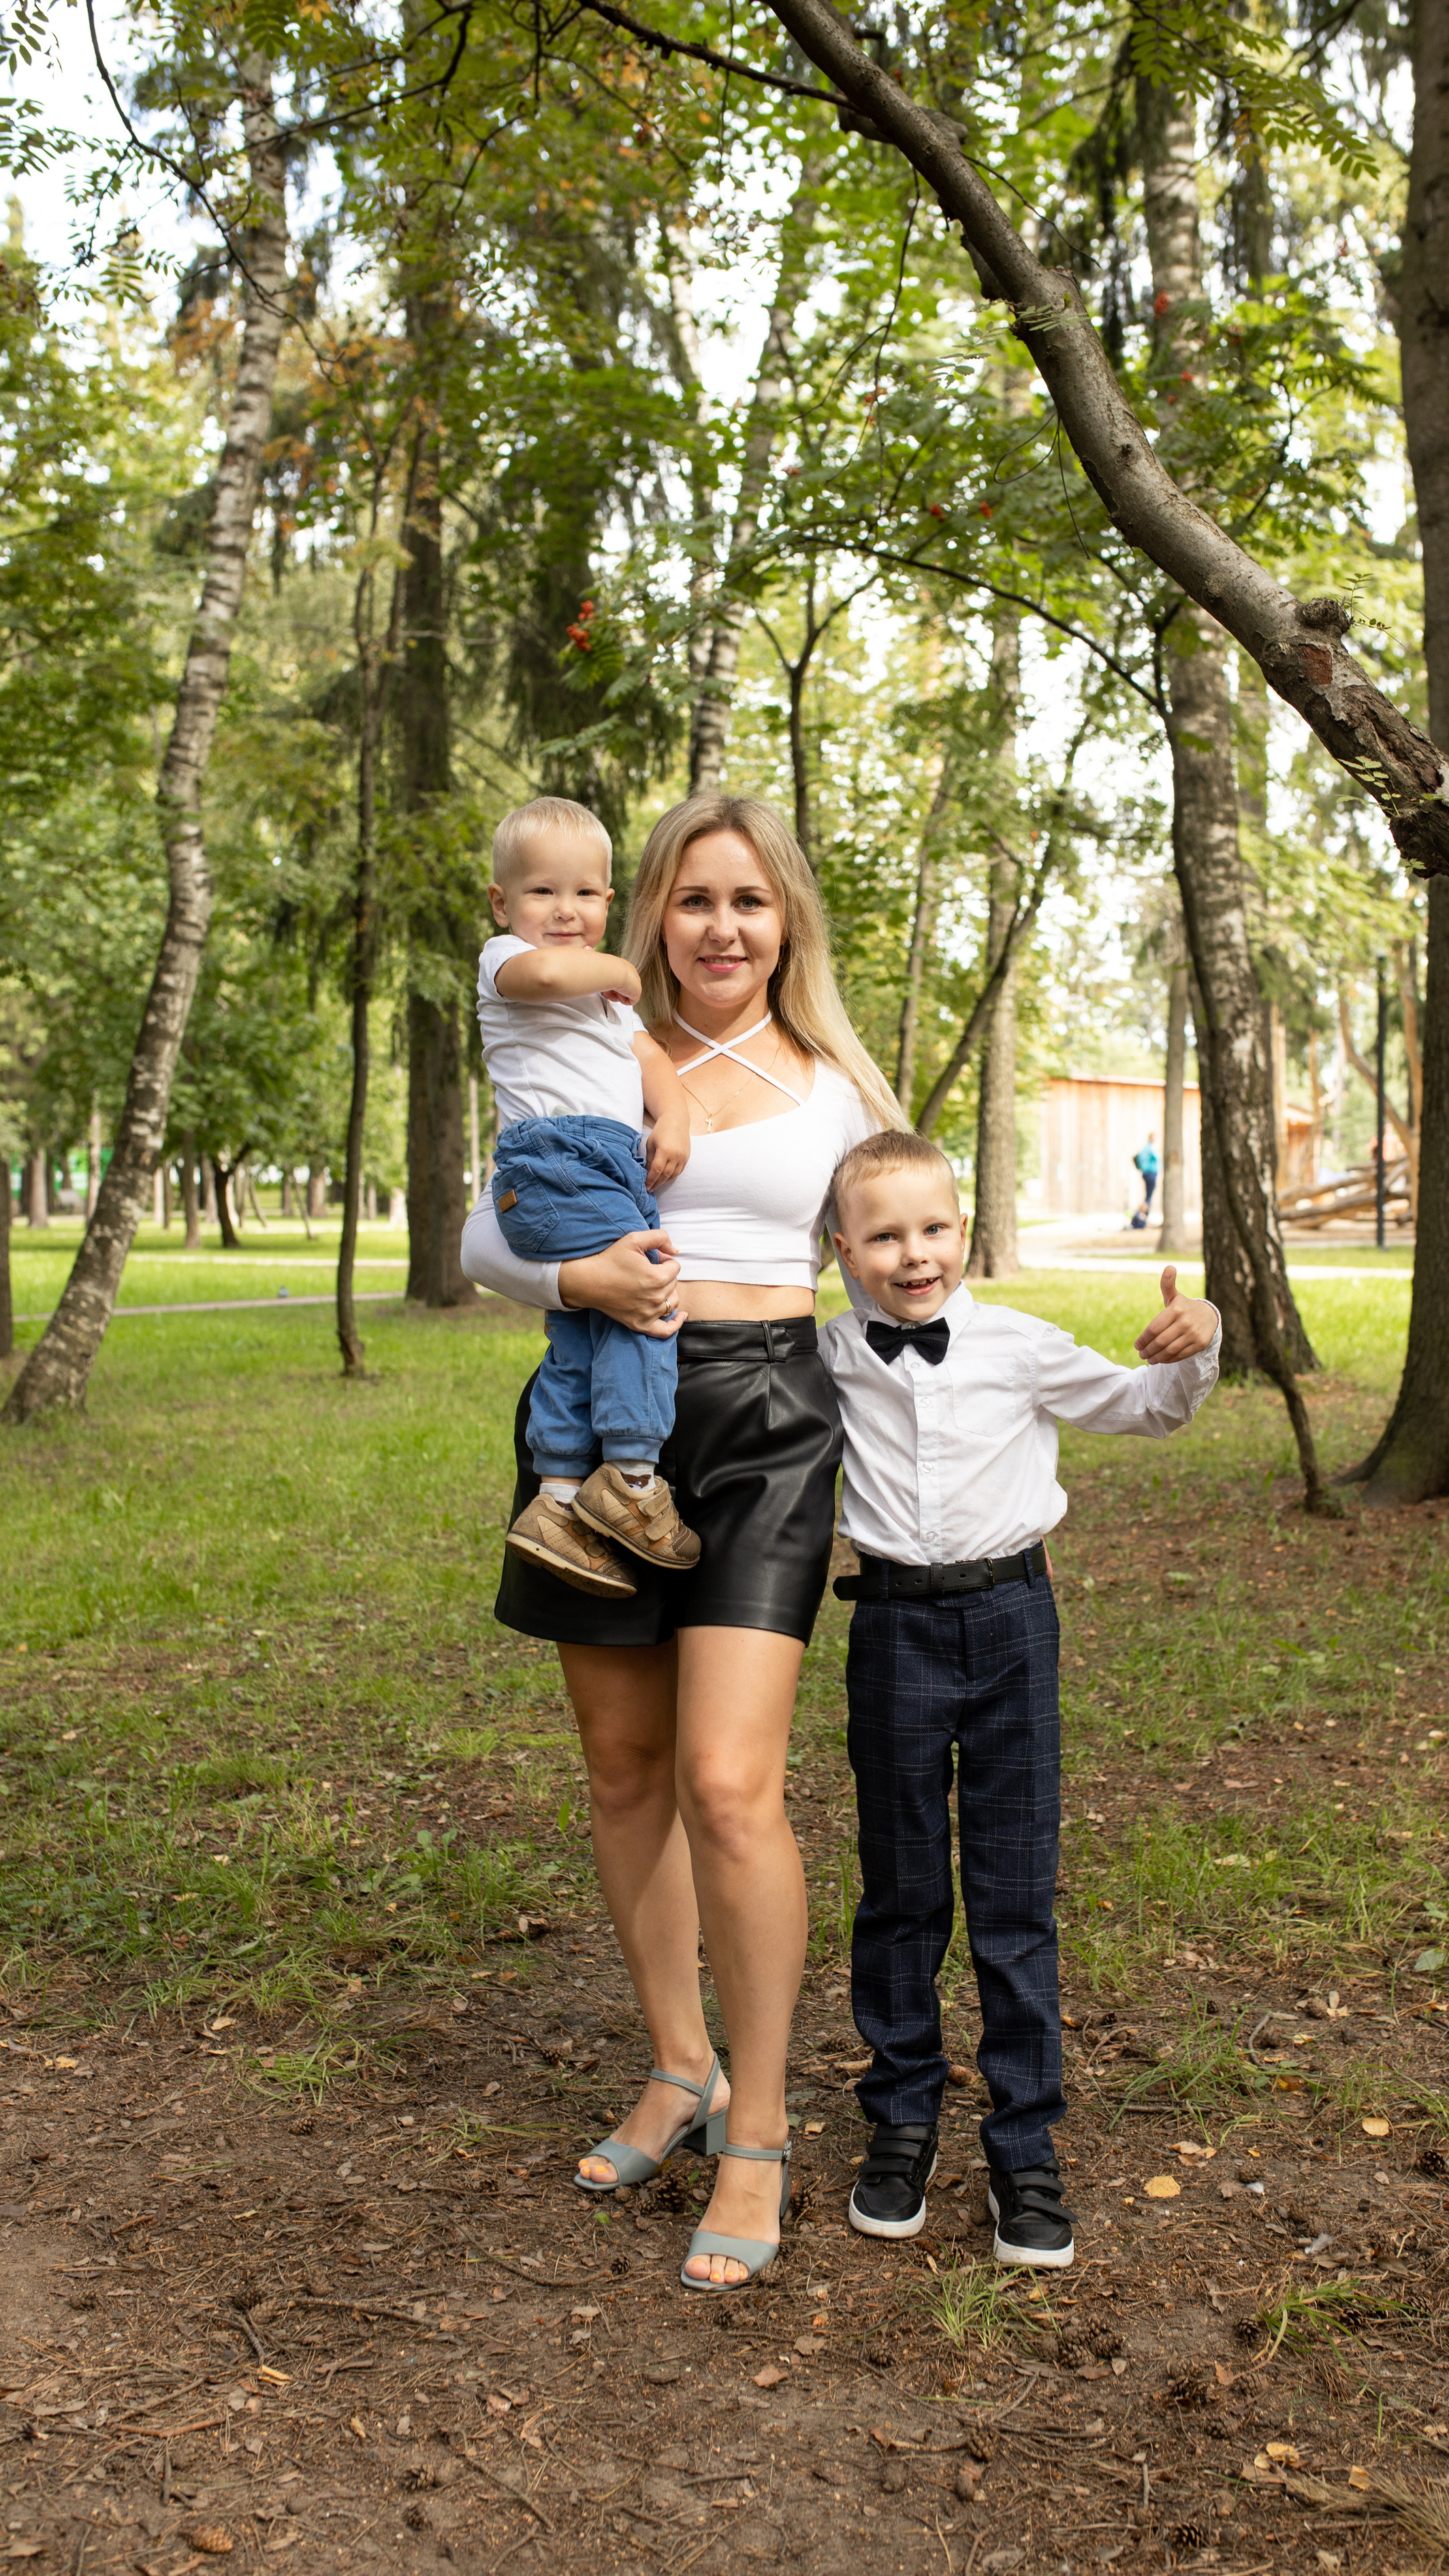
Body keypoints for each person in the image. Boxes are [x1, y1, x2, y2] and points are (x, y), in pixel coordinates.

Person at [460, 790, 902, 2291]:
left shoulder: (835, 1081)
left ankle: (762, 2124)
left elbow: (910, 1266)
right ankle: (674, 2065)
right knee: (624, 1770)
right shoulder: (575, 1037)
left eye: (750, 903)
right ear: (647, 914)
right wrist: (579, 1279)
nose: (722, 928)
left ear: (787, 925)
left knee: (728, 1783)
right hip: (598, 1413)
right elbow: (485, 1234)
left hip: (769, 1422)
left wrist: (1142, 1370)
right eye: (694, 901)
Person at [820, 1129, 1220, 2268]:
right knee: (900, 1886)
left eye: (934, 1229)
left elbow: (1149, 1409)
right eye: (885, 1236)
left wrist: (1197, 1346)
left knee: (1011, 1889)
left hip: (1011, 1627)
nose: (913, 1256)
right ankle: (899, 2119)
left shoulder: (1019, 1346)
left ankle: (1024, 2146)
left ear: (965, 1229)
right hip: (891, 1627)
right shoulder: (824, 1358)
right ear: (841, 1247)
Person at [478, 795, 699, 1595]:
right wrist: (617, 970)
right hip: (556, 1161)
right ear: (503, 904)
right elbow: (545, 971)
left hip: (601, 1168)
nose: (563, 912)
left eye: (583, 894)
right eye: (542, 892)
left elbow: (651, 1062)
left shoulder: (612, 1014)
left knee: (584, 1335)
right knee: (650, 1300)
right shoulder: (508, 961)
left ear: (609, 902)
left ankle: (559, 1496)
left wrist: (671, 1118)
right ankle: (634, 1478)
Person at [1131, 1132, 1159, 1230]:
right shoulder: (1149, 1149)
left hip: (1147, 1174)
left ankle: (1142, 1218)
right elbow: (1157, 1159)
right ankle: (1142, 1218)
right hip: (1151, 1174)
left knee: (1148, 1197)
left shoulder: (1145, 1148)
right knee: (1148, 1198)